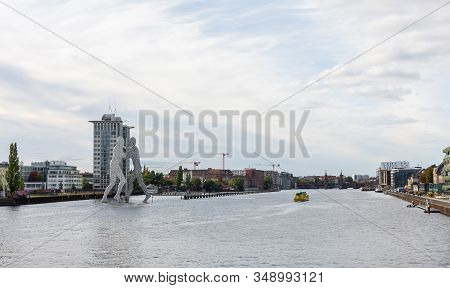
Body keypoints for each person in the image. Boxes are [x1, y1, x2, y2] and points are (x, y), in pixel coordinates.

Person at [125, 137, 152, 203]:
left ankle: (128, 196)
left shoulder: (135, 148)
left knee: (132, 182)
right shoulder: (133, 148)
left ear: (133, 142)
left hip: (137, 169)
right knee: (138, 182)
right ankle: (147, 195)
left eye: (130, 142)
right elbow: (127, 156)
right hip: (136, 169)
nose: (130, 143)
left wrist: (126, 147)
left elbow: (131, 155)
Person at [102, 137, 127, 203]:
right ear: (119, 142)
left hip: (114, 165)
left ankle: (104, 197)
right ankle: (117, 195)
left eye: (123, 141)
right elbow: (122, 155)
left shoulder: (119, 147)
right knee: (123, 180)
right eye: (122, 141)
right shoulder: (117, 148)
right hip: (115, 165)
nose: (123, 142)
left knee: (112, 183)